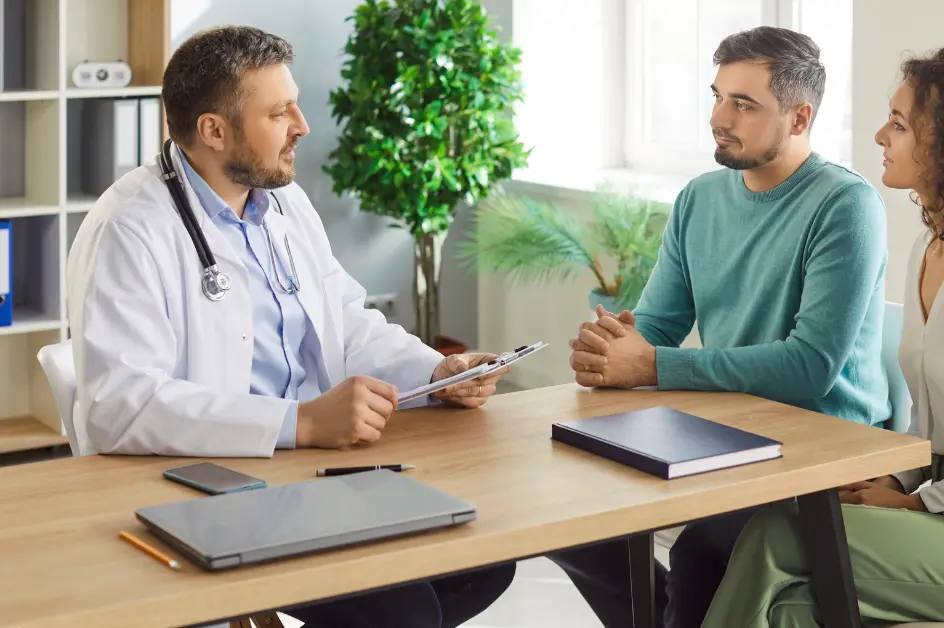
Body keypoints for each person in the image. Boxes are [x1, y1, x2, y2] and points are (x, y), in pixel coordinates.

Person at [65, 25, 514, 628]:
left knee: (483, 564)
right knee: (403, 613)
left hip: (311, 474)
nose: (302, 125)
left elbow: (345, 321)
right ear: (213, 130)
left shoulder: (282, 202)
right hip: (213, 484)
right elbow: (119, 404)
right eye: (279, 113)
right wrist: (299, 422)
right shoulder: (130, 228)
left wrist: (436, 371)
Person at [699, 45, 944, 627]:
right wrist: (896, 476)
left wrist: (919, 501)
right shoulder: (930, 251)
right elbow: (934, 422)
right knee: (790, 611)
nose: (879, 136)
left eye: (900, 123)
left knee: (777, 534)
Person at [550, 26, 891, 628]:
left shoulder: (845, 205)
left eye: (744, 104)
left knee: (701, 550)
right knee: (569, 519)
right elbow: (657, 324)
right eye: (717, 96)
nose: (718, 118)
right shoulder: (699, 199)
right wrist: (611, 349)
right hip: (726, 429)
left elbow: (809, 368)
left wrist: (650, 365)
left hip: (820, 444)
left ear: (800, 116)